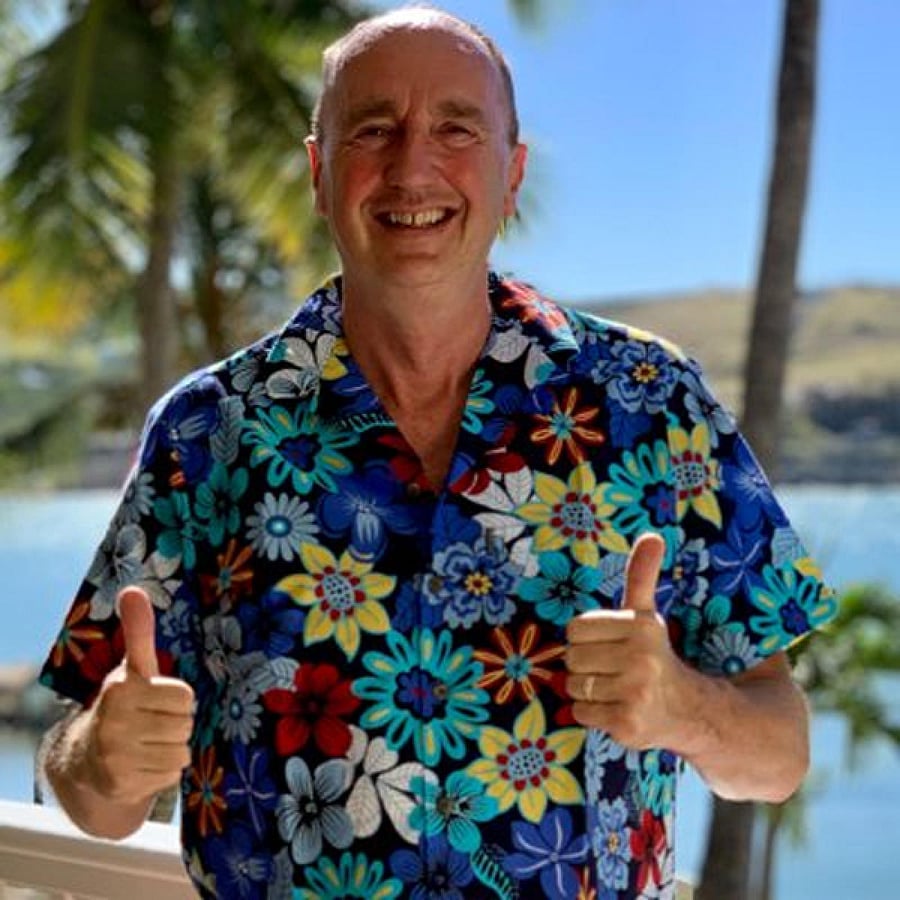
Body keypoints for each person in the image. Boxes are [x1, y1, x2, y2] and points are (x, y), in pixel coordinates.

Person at [38, 6, 837, 899]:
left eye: (456, 128)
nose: (412, 165)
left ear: (512, 175)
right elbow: (83, 785)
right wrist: (104, 760)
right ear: (318, 170)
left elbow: (779, 754)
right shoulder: (208, 430)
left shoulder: (652, 404)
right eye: (372, 128)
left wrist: (685, 706)